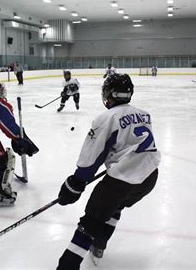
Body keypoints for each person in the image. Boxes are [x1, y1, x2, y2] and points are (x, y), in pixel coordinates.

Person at [56, 74, 160, 269]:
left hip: (122, 180)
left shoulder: (106, 118)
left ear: (109, 94)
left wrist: (75, 184)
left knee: (90, 223)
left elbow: (91, 159)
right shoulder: (144, 114)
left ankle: (66, 266)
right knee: (115, 206)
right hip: (150, 177)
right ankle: (99, 245)